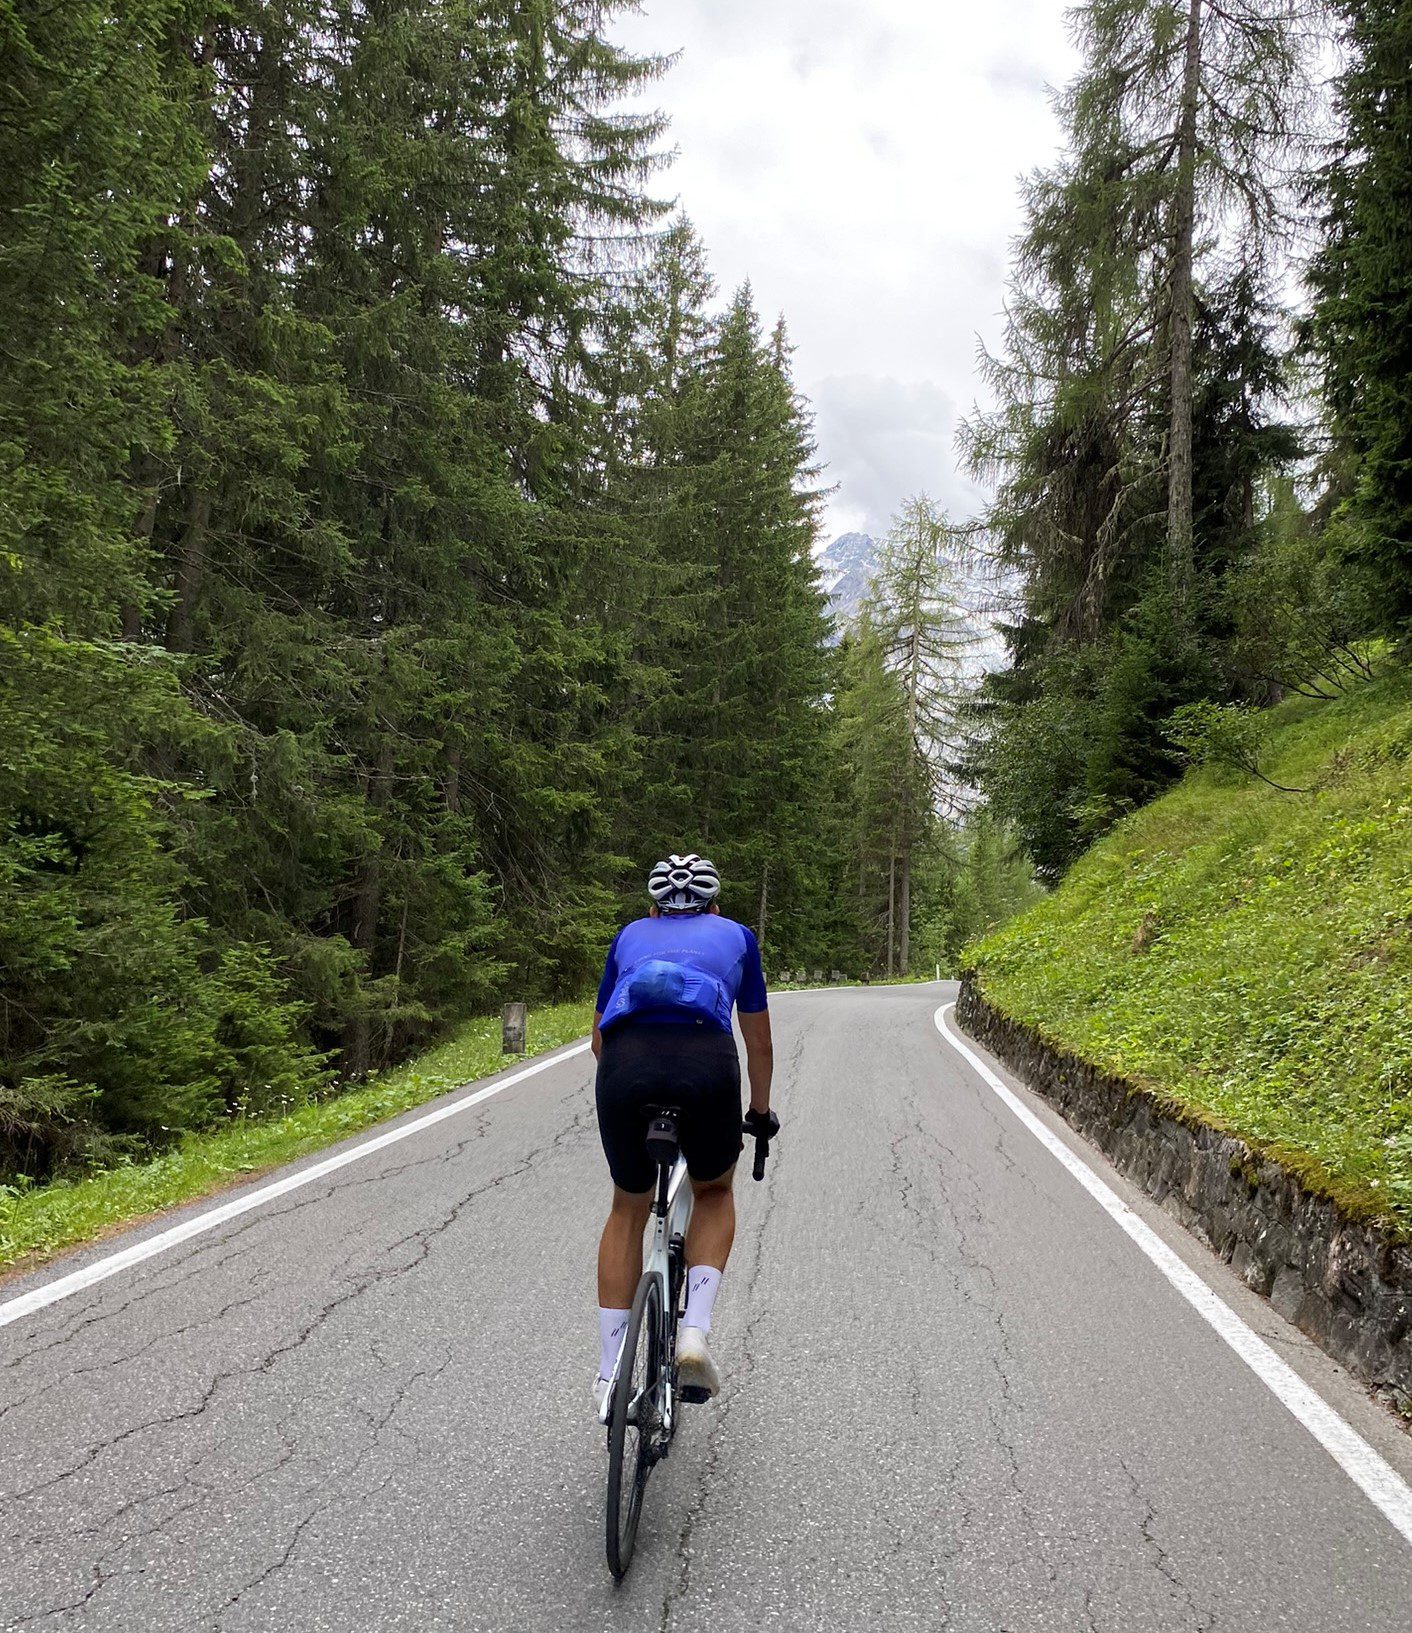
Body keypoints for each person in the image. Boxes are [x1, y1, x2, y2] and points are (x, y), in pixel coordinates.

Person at [591, 853, 778, 1417]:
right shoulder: (737, 937)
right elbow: (759, 1044)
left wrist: (632, 1085)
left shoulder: (628, 936)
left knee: (627, 1207)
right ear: (714, 907)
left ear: (653, 910)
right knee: (714, 1190)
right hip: (705, 1064)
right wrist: (759, 1112)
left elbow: (599, 1041)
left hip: (625, 1066)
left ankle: (609, 1376)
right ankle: (693, 1332)